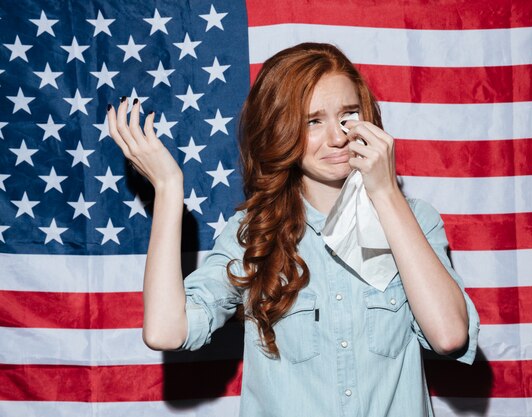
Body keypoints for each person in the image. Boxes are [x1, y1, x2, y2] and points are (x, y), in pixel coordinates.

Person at [107, 42, 479, 417]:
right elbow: (166, 332)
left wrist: (384, 192)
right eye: (313, 121)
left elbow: (448, 335)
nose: (337, 137)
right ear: (281, 130)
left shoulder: (416, 219)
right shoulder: (253, 233)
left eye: (348, 115)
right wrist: (169, 189)